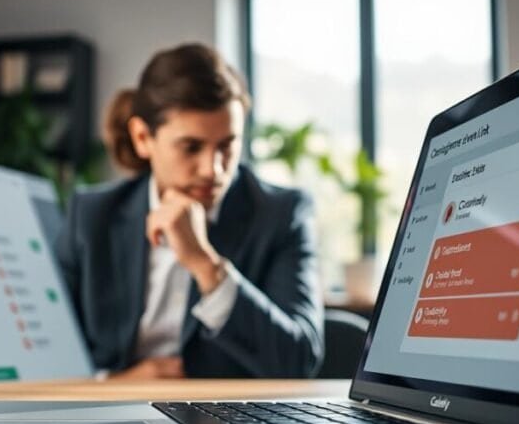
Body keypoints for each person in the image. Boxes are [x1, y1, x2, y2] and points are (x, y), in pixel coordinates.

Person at [56, 43, 323, 379]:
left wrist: (205, 264)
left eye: (227, 146)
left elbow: (298, 360)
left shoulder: (282, 214)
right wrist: (122, 384)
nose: (213, 170)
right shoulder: (92, 216)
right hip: (112, 413)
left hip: (232, 422)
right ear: (142, 137)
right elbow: (49, 354)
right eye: (191, 147)